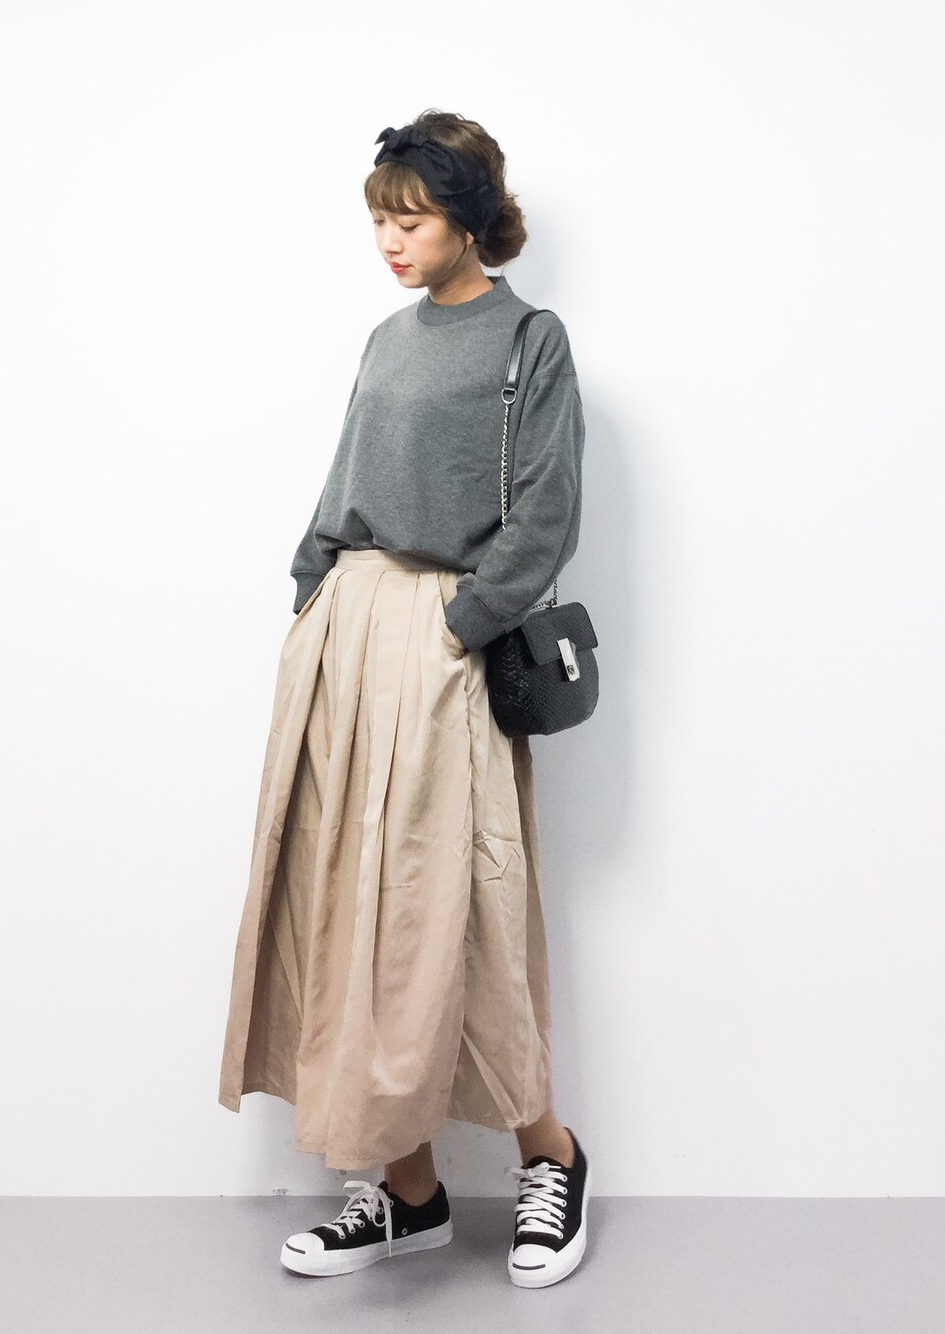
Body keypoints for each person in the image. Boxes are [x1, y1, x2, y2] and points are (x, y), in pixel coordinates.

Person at [217, 109, 591, 1289]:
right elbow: (343, 486)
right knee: (350, 912)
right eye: (380, 219)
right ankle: (409, 1190)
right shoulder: (386, 337)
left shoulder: (528, 342)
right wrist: (311, 603)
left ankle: (551, 1154)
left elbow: (544, 512)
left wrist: (457, 626)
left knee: (461, 909)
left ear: (471, 220)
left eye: (412, 219)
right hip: (348, 641)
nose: (389, 240)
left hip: (443, 646)